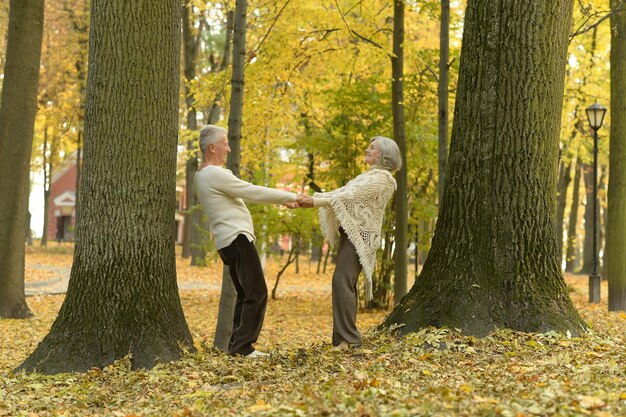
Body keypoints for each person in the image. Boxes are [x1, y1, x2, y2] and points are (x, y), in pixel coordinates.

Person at [194, 124, 298, 358]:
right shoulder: (212, 174)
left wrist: (283, 201)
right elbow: (252, 191)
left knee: (244, 293)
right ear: (212, 147)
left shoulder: (203, 176)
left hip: (228, 242)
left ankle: (236, 347)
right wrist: (291, 196)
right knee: (257, 292)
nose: (228, 149)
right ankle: (243, 348)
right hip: (237, 239)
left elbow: (240, 191)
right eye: (224, 143)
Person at [297, 136, 402, 348]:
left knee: (342, 282)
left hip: (360, 239)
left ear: (383, 155)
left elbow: (351, 196)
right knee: (343, 282)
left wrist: (314, 201)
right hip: (351, 235)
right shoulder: (367, 176)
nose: (367, 149)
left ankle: (349, 340)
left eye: (372, 148)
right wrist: (308, 199)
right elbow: (342, 193)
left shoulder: (383, 180)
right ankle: (342, 340)